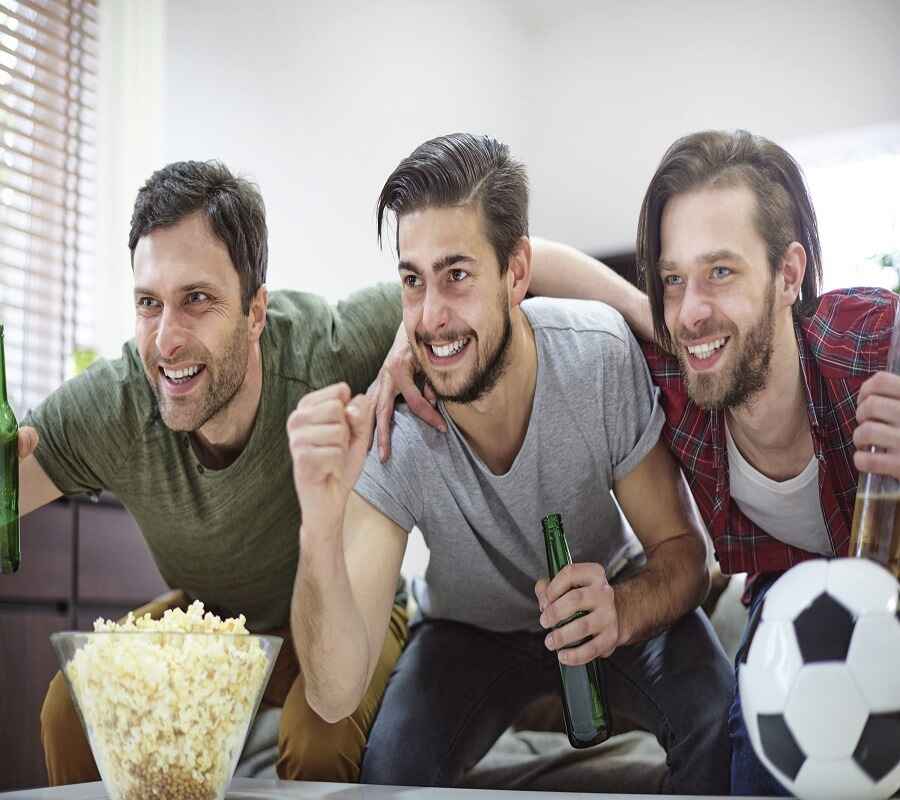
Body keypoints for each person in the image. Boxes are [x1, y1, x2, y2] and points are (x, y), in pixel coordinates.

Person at [288, 132, 734, 794]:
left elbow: (683, 555)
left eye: (457, 275)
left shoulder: (598, 358)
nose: (432, 317)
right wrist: (317, 529)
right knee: (393, 770)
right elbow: (331, 697)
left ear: (516, 272)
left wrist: (621, 607)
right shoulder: (393, 426)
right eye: (413, 281)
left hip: (611, 603)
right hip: (469, 633)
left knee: (721, 724)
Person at [468, 129, 900, 796]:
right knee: (746, 769)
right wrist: (406, 354)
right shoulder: (671, 376)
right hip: (787, 605)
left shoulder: (869, 344)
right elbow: (530, 261)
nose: (692, 309)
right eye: (675, 277)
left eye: (721, 272)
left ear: (788, 274)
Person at [14, 160, 409, 785]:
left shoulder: (327, 348)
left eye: (196, 299)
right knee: (74, 706)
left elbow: (514, 264)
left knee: (318, 736)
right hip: (217, 623)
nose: (166, 340)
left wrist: (629, 307)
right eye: (149, 303)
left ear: (255, 313)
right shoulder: (113, 403)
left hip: (348, 609)